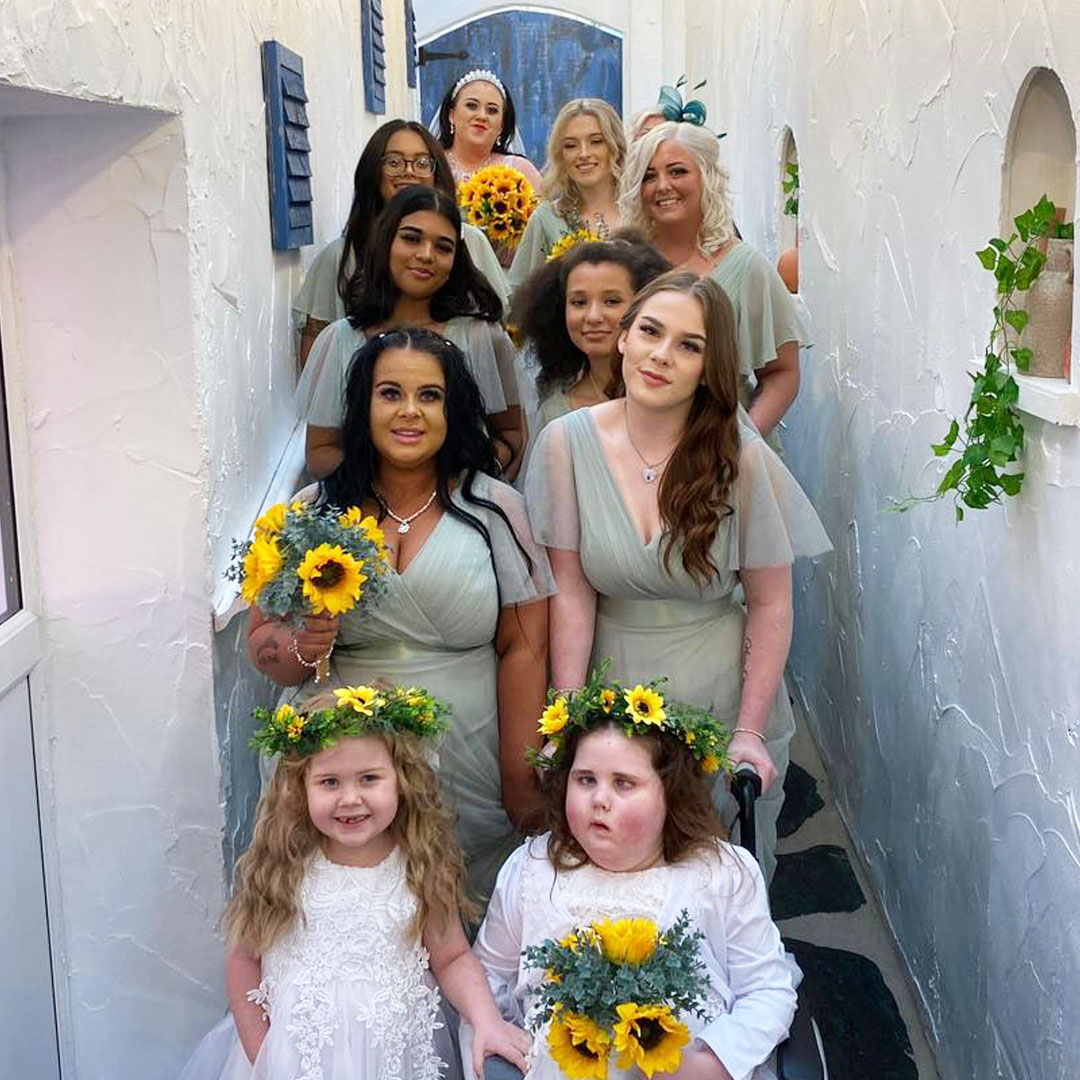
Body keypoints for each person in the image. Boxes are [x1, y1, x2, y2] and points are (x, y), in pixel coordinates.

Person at [524, 273, 830, 882]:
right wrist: (563, 713)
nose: (662, 354)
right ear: (623, 340)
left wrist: (747, 729)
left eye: (689, 345)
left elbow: (770, 602)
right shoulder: (565, 443)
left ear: (709, 368)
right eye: (651, 331)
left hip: (718, 694)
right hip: (613, 690)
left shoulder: (737, 455)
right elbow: (573, 594)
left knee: (712, 885)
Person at [251, 328, 553, 904]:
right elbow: (267, 651)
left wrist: (520, 777)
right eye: (390, 393)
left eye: (430, 396)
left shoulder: (496, 509)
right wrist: (303, 646)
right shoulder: (313, 511)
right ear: (362, 406)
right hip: (344, 759)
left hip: (469, 754)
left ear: (454, 409)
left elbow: (525, 649)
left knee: (465, 919)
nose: (409, 411)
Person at [177, 689, 532, 1080]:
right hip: (295, 1062)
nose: (350, 799)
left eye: (368, 778)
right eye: (329, 782)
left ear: (401, 780)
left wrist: (487, 1022)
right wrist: (264, 1058)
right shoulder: (284, 865)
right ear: (300, 787)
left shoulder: (419, 864)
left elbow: (452, 958)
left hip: (395, 1061)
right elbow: (244, 961)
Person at [468, 677, 798, 1080]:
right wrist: (497, 1032)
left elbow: (767, 991)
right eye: (585, 779)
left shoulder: (719, 873)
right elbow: (488, 975)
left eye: (623, 783)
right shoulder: (533, 868)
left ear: (670, 796)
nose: (599, 799)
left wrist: (710, 1065)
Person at [301, 187, 525, 481]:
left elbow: (510, 432)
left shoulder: (482, 338)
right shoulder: (340, 340)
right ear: (386, 242)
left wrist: (459, 486)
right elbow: (320, 452)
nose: (426, 255)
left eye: (443, 247)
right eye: (411, 238)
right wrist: (394, 490)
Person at [619, 121, 806, 438]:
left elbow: (782, 373)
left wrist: (742, 442)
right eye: (649, 176)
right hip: (628, 448)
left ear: (706, 176)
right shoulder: (621, 263)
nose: (663, 185)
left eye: (677, 172)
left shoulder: (746, 267)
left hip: (719, 456)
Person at [294, 120, 508, 367]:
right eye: (394, 162)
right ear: (373, 170)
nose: (409, 171)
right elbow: (315, 363)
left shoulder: (470, 241)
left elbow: (499, 343)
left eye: (422, 162)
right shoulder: (339, 256)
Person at [512, 235, 669, 442]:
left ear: (643, 305)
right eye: (579, 302)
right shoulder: (555, 411)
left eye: (612, 301)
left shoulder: (671, 395)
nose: (593, 316)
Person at [508, 99, 626, 292]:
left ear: (615, 146)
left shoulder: (640, 212)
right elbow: (519, 294)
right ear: (560, 154)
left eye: (596, 142)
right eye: (571, 145)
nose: (584, 153)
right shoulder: (546, 218)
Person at [434, 69, 542, 189]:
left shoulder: (519, 170)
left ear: (501, 125)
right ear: (452, 116)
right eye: (472, 106)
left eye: (492, 110)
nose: (482, 116)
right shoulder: (432, 166)